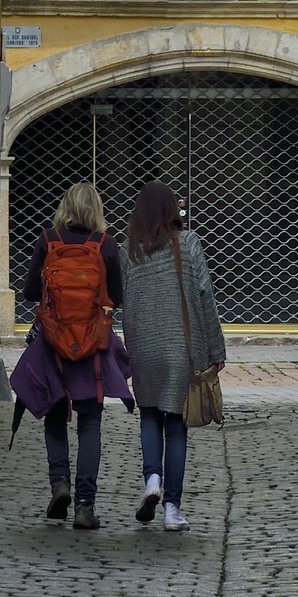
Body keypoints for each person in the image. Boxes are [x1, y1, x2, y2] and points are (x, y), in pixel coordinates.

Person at [8, 180, 131, 530]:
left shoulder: (48, 240)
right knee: (90, 424)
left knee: (55, 416)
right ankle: (85, 505)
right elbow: (117, 296)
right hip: (91, 350)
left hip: (52, 346)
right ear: (96, 210)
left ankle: (59, 483)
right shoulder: (106, 245)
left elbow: (31, 290)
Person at [120, 180, 225, 533]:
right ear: (171, 210)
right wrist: (215, 350)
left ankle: (152, 479)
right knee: (176, 426)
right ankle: (172, 509)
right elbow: (204, 297)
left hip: (144, 347)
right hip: (181, 347)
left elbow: (125, 303)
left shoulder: (128, 251)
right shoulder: (189, 243)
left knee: (149, 416)